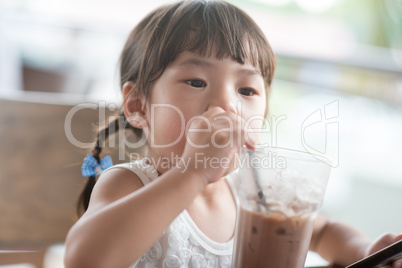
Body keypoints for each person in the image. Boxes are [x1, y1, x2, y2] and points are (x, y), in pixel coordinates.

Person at [65, 1, 402, 267]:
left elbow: (322, 230)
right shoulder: (130, 183)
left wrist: (365, 250)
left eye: (247, 90)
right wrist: (192, 172)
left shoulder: (252, 192)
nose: (227, 104)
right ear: (138, 105)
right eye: (196, 82)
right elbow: (85, 259)